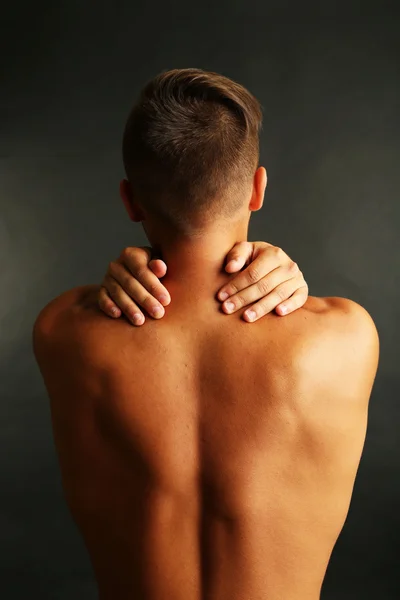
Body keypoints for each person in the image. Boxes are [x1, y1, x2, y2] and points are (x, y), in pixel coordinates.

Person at [33, 68, 379, 600]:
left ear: (129, 201)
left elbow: (80, 312)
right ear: (258, 189)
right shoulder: (346, 338)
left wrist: (134, 265)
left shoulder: (63, 331)